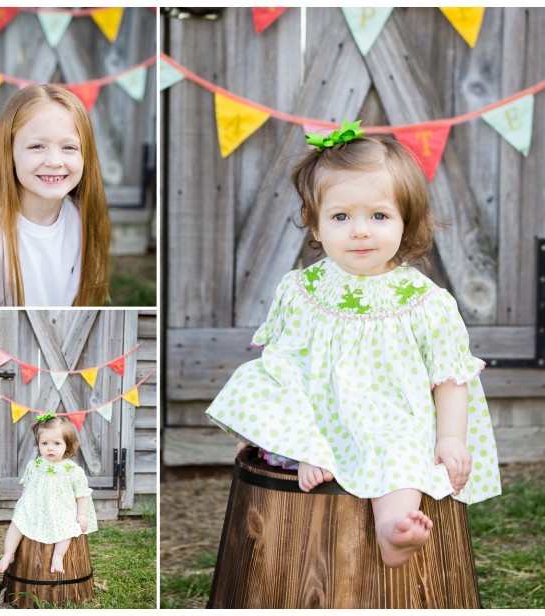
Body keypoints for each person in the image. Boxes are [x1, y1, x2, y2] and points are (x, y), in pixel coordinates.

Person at [205, 122, 501, 568]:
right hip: (315, 410)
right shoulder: (301, 288)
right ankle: (300, 453)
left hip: (387, 415)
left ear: (407, 222)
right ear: (317, 226)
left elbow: (449, 379)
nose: (359, 231)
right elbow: (281, 364)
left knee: (401, 448)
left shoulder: (427, 302)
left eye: (379, 216)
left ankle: (393, 529)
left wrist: (452, 440)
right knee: (256, 380)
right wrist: (282, 432)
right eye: (341, 217)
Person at [0, 84, 111, 307]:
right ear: (8, 153)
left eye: (69, 147)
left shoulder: (84, 220)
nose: (55, 161)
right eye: (37, 146)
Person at [0, 415, 98, 574]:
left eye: (56, 443)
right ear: (38, 445)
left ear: (67, 445)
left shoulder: (73, 471)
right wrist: (23, 505)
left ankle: (57, 556)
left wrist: (82, 515)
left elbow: (82, 495)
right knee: (17, 523)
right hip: (35, 506)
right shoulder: (34, 465)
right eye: (44, 443)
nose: (50, 448)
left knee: (68, 529)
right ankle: (9, 553)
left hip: (61, 509)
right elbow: (27, 488)